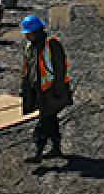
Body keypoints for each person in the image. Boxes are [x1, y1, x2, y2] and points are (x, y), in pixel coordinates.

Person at [19, 14, 72, 163]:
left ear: (36, 32)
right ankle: (56, 149)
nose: (26, 36)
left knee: (43, 123)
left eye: (28, 33)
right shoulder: (30, 47)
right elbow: (27, 70)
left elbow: (60, 70)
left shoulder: (52, 45)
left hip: (52, 92)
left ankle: (38, 153)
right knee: (51, 120)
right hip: (39, 92)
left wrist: (58, 92)